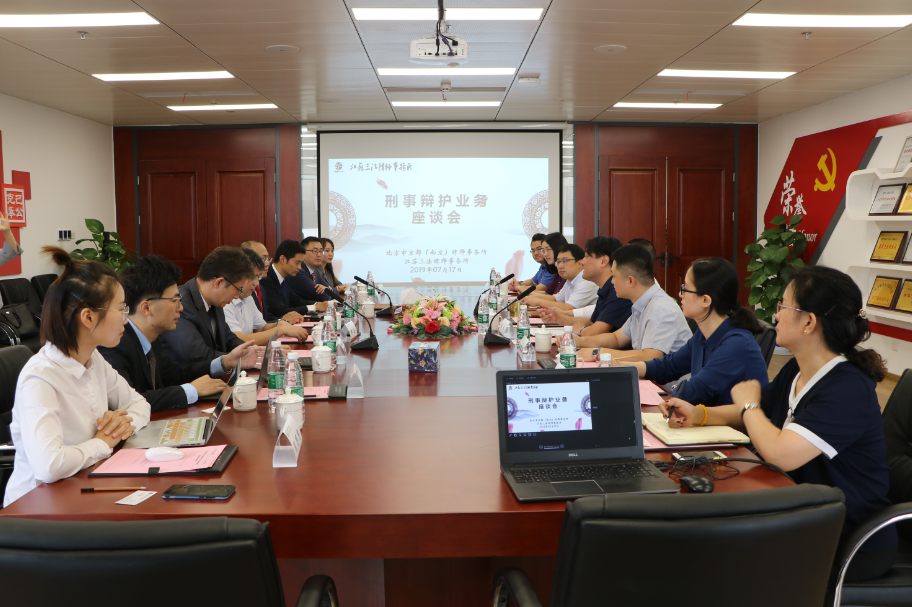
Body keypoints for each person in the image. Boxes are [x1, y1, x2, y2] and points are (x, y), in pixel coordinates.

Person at [662, 266, 897, 582]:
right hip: (800, 513)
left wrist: (749, 404)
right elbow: (756, 413)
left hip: (846, 538)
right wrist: (699, 414)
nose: (775, 315)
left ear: (809, 322)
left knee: (711, 556)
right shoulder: (796, 371)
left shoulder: (847, 389)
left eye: (784, 306)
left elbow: (780, 452)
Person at [4, 247, 151, 507]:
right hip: (37, 507)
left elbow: (140, 404)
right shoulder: (41, 378)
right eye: (121, 309)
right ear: (88, 317)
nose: (126, 320)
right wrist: (103, 442)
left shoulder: (93, 358)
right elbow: (49, 466)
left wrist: (121, 425)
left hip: (85, 484)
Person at [99, 255, 259, 413]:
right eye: (174, 300)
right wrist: (191, 390)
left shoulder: (150, 338)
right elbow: (130, 402)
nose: (180, 308)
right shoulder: (115, 344)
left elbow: (176, 374)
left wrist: (225, 362)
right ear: (147, 308)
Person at [616, 258, 768, 407]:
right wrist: (622, 366)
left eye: (685, 288)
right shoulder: (703, 335)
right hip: (705, 420)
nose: (680, 294)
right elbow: (668, 367)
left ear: (705, 300)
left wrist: (676, 389)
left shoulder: (737, 343)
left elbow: (694, 391)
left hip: (734, 424)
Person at [575, 244, 691, 362]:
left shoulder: (660, 309)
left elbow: (650, 357)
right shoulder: (642, 304)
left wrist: (597, 353)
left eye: (614, 276)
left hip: (667, 375)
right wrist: (578, 341)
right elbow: (616, 338)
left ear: (630, 281)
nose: (612, 282)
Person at [159, 246, 255, 364]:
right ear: (218, 282)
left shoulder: (215, 300)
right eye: (238, 289)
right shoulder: (181, 304)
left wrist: (249, 351)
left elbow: (227, 337)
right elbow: (198, 355)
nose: (237, 296)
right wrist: (240, 359)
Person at [539, 236, 628, 336]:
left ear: (603, 261)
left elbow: (596, 331)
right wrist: (557, 318)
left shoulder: (617, 291)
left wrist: (581, 331)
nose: (582, 262)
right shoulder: (605, 288)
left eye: (586, 256)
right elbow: (592, 322)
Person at [225, 247, 310, 346]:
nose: (257, 283)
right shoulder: (225, 302)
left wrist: (279, 323)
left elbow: (260, 328)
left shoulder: (248, 296)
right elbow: (240, 340)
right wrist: (280, 329)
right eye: (253, 278)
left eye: (258, 277)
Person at [260, 239, 329, 321]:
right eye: (297, 263)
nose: (300, 267)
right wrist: (315, 307)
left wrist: (318, 304)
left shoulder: (284, 278)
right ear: (283, 259)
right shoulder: (266, 278)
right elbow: (279, 311)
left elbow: (296, 301)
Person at [239, 240, 302, 324]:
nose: (268, 263)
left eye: (268, 258)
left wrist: (283, 321)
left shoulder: (259, 288)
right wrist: (283, 321)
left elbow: (265, 319)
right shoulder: (241, 293)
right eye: (263, 258)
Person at [522, 244, 597, 311]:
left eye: (565, 261)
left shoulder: (586, 281)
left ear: (580, 263)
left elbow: (568, 307)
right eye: (558, 262)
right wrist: (530, 296)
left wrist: (538, 301)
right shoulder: (570, 280)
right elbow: (556, 299)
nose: (560, 266)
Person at [286, 236, 342, 305]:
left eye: (321, 251)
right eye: (315, 251)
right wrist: (329, 291)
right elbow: (323, 297)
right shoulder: (298, 271)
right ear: (303, 253)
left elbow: (335, 293)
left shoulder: (315, 272)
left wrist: (329, 289)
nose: (319, 255)